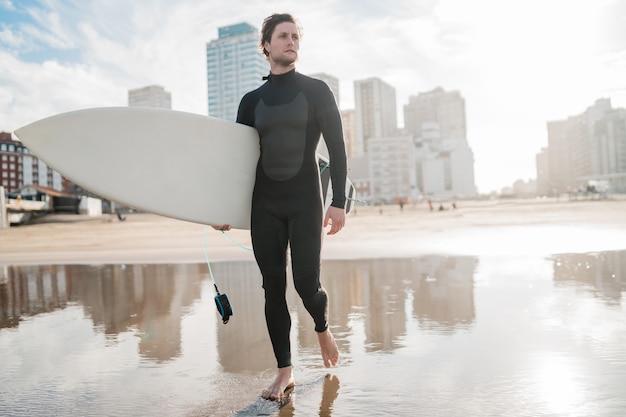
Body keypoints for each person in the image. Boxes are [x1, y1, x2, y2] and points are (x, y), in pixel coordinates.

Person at [213, 13, 348, 401]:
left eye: (295, 37)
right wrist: (224, 210)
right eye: (283, 36)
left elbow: (336, 149)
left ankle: (321, 327)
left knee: (307, 285)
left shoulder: (316, 91)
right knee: (272, 289)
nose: (291, 42)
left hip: (306, 201)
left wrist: (338, 202)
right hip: (265, 206)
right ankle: (284, 371)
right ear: (266, 45)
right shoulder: (251, 101)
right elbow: (240, 163)